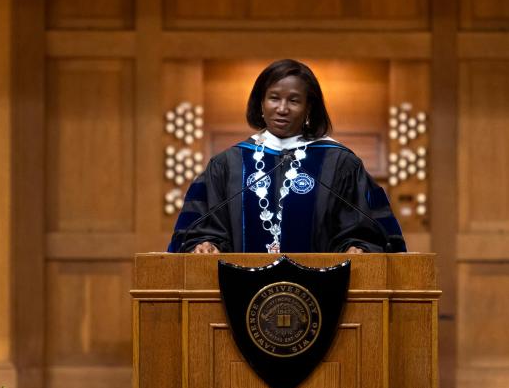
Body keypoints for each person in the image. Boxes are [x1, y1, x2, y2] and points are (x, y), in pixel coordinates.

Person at [167, 59, 406, 254]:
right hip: (238, 295)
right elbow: (200, 228)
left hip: (324, 295)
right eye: (274, 98)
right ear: (261, 103)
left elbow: (367, 231)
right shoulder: (227, 164)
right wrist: (206, 245)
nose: (282, 108)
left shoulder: (339, 163)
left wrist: (358, 248)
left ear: (309, 108)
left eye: (294, 100)